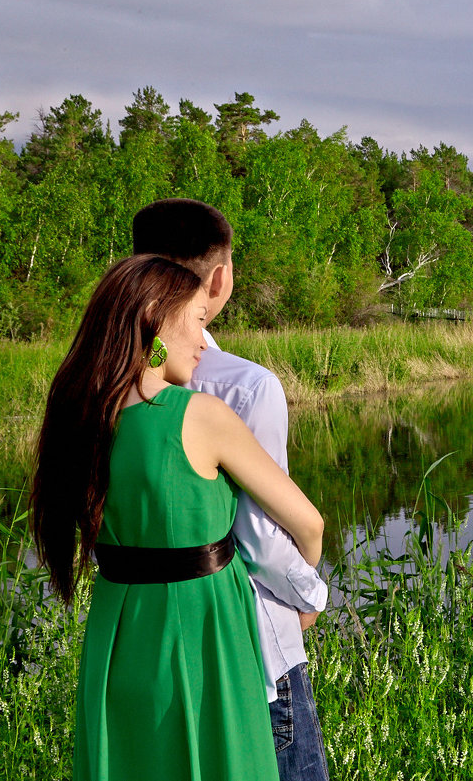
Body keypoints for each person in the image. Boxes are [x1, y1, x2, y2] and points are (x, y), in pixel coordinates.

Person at [31, 254, 325, 781]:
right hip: (204, 633)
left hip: (120, 635)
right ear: (155, 317)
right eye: (196, 320)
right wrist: (308, 596)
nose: (201, 341)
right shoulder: (200, 416)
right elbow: (308, 523)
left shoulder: (81, 417)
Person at [131, 198, 331, 781]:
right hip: (255, 649)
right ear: (219, 278)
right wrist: (310, 594)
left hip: (146, 650)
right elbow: (268, 543)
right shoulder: (243, 387)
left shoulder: (97, 384)